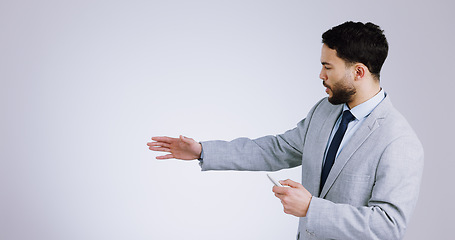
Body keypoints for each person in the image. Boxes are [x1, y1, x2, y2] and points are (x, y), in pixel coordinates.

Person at [147, 21, 424, 240]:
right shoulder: (325, 110)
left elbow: (389, 226)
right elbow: (278, 149)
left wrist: (311, 210)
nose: (320, 75)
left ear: (359, 72)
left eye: (328, 67)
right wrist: (202, 151)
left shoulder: (398, 141)